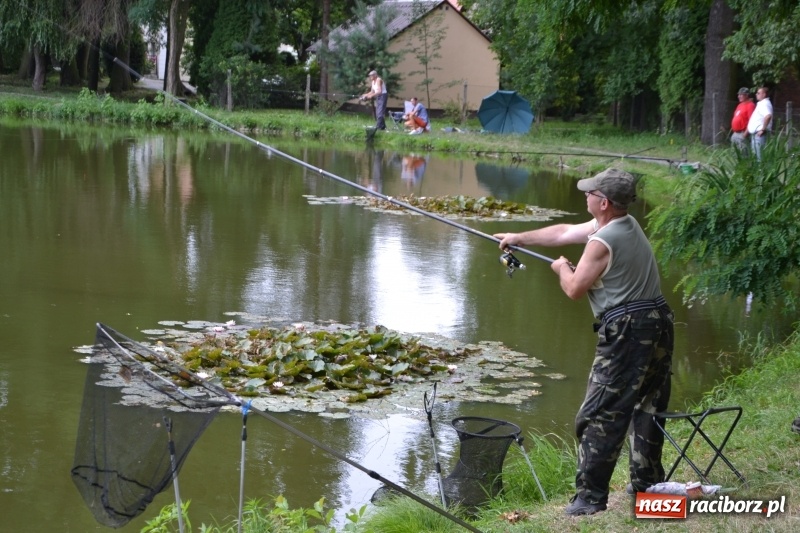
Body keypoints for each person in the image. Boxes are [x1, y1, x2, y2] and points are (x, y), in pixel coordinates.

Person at [494, 168, 674, 517]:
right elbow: (563, 232)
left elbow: (575, 289)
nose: (585, 195)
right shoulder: (623, 225)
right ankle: (646, 486)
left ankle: (590, 499)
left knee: (598, 414)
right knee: (648, 405)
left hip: (627, 331)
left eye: (590, 192)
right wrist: (520, 237)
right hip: (659, 321)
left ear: (603, 202)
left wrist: (562, 268)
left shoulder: (600, 242)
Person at [746, 85, 772, 160]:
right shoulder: (761, 103)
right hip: (756, 134)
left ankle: (761, 171)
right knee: (755, 156)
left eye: (758, 93)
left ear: (764, 94)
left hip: (760, 134)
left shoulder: (765, 103)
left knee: (759, 157)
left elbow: (768, 116)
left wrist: (763, 129)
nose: (756, 94)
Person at [730, 87, 755, 152]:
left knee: (743, 153)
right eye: (738, 94)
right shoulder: (740, 105)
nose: (739, 96)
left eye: (741, 94)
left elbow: (751, 120)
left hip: (742, 133)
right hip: (735, 133)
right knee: (734, 153)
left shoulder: (750, 105)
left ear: (746, 95)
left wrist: (745, 134)